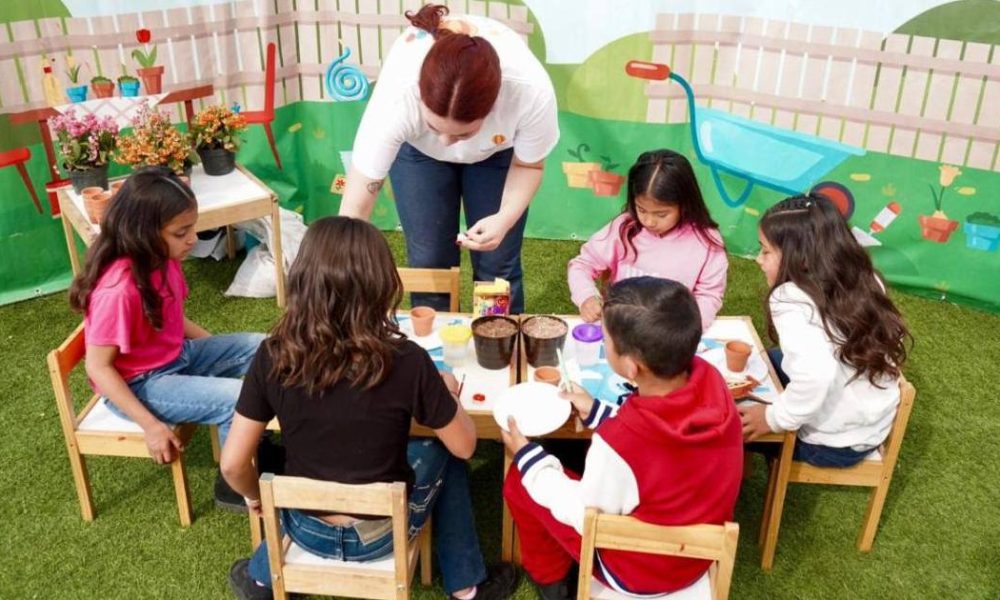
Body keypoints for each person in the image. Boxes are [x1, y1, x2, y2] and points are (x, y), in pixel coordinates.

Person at [222, 217, 517, 600]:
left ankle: (263, 579)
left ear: (304, 282)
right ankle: (465, 588)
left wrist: (254, 496)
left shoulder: (272, 355)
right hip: (382, 533)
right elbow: (465, 446)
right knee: (443, 449)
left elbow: (232, 465)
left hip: (304, 528)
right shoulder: (407, 360)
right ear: (379, 284)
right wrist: (448, 395)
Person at [502, 277, 743, 599]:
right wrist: (598, 411)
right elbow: (662, 438)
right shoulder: (713, 384)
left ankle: (553, 584)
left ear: (631, 367)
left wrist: (529, 458)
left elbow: (586, 514)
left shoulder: (618, 444)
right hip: (697, 557)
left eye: (606, 339)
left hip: (636, 571)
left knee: (520, 480)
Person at [339, 3, 559, 313]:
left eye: (463, 133)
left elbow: (528, 164)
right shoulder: (398, 94)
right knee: (430, 262)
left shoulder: (529, 92)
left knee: (497, 264)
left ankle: (496, 339)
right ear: (420, 96)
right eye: (434, 127)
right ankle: (433, 342)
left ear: (494, 107)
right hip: (418, 154)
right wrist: (341, 261)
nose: (446, 142)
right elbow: (358, 201)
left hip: (496, 154)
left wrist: (504, 217)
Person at [68, 166, 264, 511]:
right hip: (138, 385)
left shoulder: (164, 258)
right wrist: (151, 426)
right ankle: (234, 486)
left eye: (192, 228)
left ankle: (261, 441)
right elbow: (98, 368)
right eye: (181, 232)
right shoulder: (118, 290)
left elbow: (173, 319)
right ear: (143, 232)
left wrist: (221, 354)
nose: (193, 239)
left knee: (265, 348)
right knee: (236, 400)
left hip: (177, 357)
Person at [739, 194, 911, 467]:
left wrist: (772, 418)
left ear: (801, 259)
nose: (759, 259)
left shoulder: (789, 298)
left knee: (722, 423)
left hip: (827, 444)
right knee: (766, 361)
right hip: (867, 427)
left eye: (766, 251)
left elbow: (816, 374)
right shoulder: (866, 277)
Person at [568, 149, 728, 329]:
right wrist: (587, 296)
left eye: (661, 214)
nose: (649, 221)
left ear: (684, 204)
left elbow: (709, 295)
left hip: (672, 332)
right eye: (641, 209)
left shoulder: (705, 241)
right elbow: (582, 265)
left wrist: (687, 330)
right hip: (622, 328)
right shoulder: (624, 228)